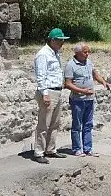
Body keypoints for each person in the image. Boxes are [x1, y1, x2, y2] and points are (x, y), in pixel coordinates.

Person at [64, 43, 111, 157]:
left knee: (88, 124)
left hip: (90, 98)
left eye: (88, 52)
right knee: (77, 125)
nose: (87, 54)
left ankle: (88, 149)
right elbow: (67, 84)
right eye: (85, 52)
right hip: (78, 99)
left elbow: (95, 74)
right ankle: (76, 149)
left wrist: (103, 82)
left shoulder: (89, 62)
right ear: (77, 53)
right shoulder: (70, 65)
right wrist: (82, 91)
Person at [33, 28, 70, 164]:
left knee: (55, 123)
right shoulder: (43, 54)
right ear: (53, 40)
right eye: (60, 41)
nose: (62, 44)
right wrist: (45, 94)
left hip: (57, 90)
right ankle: (39, 152)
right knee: (44, 123)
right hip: (48, 91)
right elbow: (41, 75)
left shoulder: (55, 53)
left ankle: (50, 149)